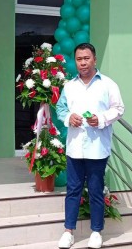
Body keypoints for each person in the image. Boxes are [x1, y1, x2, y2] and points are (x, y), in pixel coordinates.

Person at [56, 43, 124, 249]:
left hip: (97, 148)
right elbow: (60, 108)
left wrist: (101, 119)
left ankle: (96, 231)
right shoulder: (69, 85)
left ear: (94, 59)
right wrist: (69, 117)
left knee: (95, 191)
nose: (83, 62)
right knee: (73, 191)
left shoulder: (108, 84)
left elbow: (119, 109)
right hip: (75, 148)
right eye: (79, 59)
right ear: (75, 61)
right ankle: (68, 231)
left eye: (86, 58)